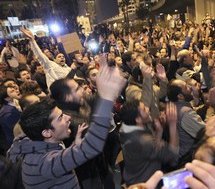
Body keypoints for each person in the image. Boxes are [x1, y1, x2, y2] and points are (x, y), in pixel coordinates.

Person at [7, 56, 126, 189]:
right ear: (46, 133)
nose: (68, 118)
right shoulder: (42, 163)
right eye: (60, 118)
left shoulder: (42, 147)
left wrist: (75, 146)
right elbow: (92, 146)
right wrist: (107, 97)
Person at [118, 100, 178, 186]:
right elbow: (173, 156)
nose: (148, 108)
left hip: (134, 179)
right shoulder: (143, 141)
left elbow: (152, 151)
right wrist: (173, 124)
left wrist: (159, 131)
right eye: (144, 109)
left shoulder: (126, 130)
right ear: (138, 120)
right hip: (145, 183)